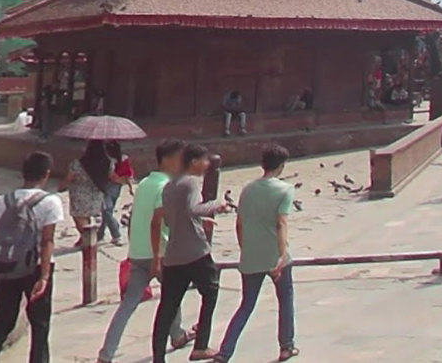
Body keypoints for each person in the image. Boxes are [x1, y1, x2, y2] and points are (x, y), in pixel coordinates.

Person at [98, 139, 192, 363]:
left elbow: (136, 220)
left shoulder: (146, 183)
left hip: (138, 253)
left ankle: (106, 353)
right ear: (168, 160)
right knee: (172, 296)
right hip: (157, 253)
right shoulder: (165, 187)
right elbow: (156, 223)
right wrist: (158, 257)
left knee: (128, 306)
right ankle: (176, 335)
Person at [0, 151, 62, 363]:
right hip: (35, 268)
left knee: (1, 324)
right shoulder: (50, 202)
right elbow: (47, 241)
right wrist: (44, 277)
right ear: (46, 174)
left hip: (4, 267)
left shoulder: (1, 201)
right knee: (40, 325)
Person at [214, 146, 297, 363]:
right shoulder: (285, 189)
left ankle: (224, 352)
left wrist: (245, 249)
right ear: (281, 165)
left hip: (251, 255)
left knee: (246, 305)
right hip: (275, 255)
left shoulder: (247, 189)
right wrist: (281, 255)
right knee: (285, 299)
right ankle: (286, 346)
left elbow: (239, 224)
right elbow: (281, 223)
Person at [151, 143, 232, 363]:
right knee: (211, 292)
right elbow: (192, 209)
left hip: (174, 255)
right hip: (196, 251)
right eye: (205, 161)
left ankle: (158, 357)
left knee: (167, 306)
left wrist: (198, 218)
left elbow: (171, 218)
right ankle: (201, 346)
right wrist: (217, 204)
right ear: (194, 162)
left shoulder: (169, 186)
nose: (207, 165)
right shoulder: (191, 182)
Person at [63, 139, 111, 250]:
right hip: (96, 195)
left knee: (79, 218)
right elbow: (111, 176)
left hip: (79, 195)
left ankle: (89, 239)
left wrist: (62, 186)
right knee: (89, 217)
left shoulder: (77, 164)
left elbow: (68, 178)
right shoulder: (107, 163)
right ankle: (87, 238)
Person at [102, 141, 130, 247]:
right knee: (108, 210)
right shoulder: (124, 159)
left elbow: (111, 175)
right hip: (117, 188)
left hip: (108, 186)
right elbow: (128, 173)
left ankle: (116, 234)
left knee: (106, 211)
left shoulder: (109, 161)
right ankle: (100, 234)